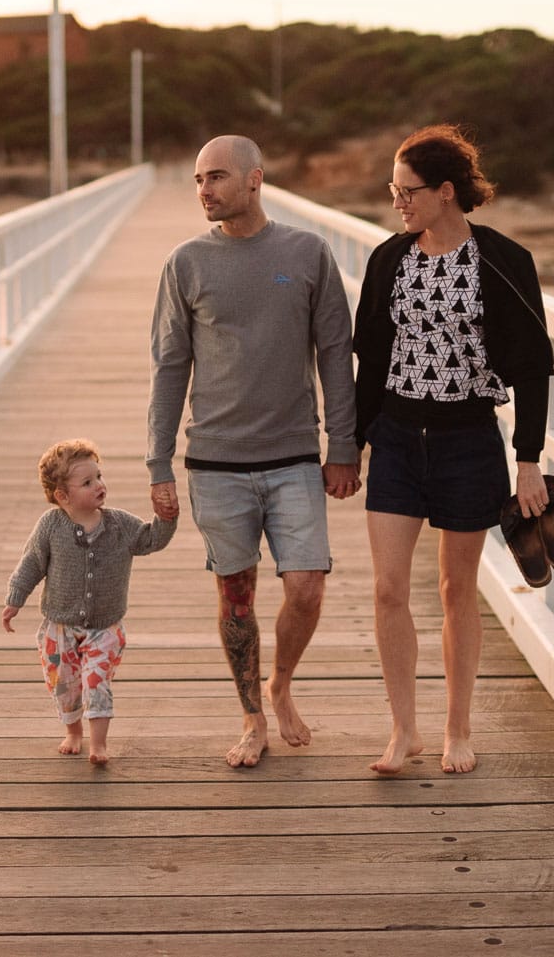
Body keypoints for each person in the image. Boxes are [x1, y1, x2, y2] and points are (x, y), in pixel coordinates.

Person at [148, 134, 360, 769]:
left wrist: (343, 444)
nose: (204, 190)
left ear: (254, 180)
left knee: (306, 587)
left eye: (215, 177)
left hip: (294, 453)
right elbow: (168, 365)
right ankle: (251, 716)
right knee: (234, 597)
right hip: (215, 460)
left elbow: (334, 353)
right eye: (196, 180)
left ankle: (282, 683)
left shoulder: (306, 253)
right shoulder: (185, 262)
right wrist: (158, 464)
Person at [352, 124, 554, 775]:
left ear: (446, 191)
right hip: (396, 440)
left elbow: (532, 366)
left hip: (469, 440)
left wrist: (528, 459)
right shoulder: (389, 258)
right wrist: (348, 444)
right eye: (393, 190)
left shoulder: (501, 259)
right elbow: (371, 360)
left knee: (454, 587)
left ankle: (457, 729)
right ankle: (403, 729)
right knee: (387, 588)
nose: (398, 202)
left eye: (408, 191)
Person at [4, 438, 177, 765]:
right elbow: (31, 563)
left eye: (99, 477)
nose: (99, 485)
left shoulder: (119, 525)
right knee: (65, 685)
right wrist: (15, 598)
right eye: (87, 482)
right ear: (62, 496)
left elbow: (151, 539)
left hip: (104, 627)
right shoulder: (50, 527)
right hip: (59, 627)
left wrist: (165, 519)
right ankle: (73, 733)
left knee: (97, 681)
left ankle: (99, 744)